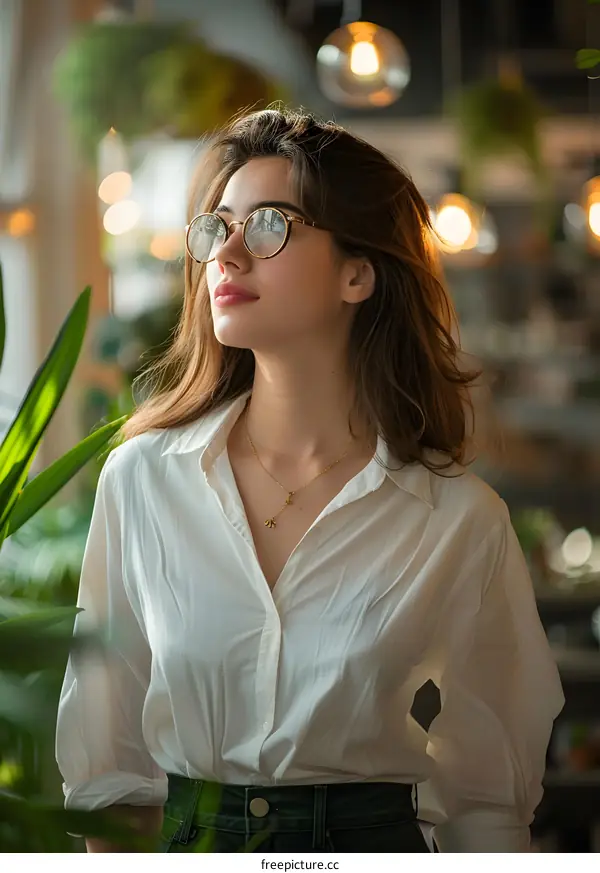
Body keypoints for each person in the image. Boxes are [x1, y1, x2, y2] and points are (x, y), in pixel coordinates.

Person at [55, 107, 564, 853]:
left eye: (267, 226)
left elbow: (488, 804)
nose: (225, 254)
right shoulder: (144, 481)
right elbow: (107, 777)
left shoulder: (458, 520)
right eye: (216, 226)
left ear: (358, 271)